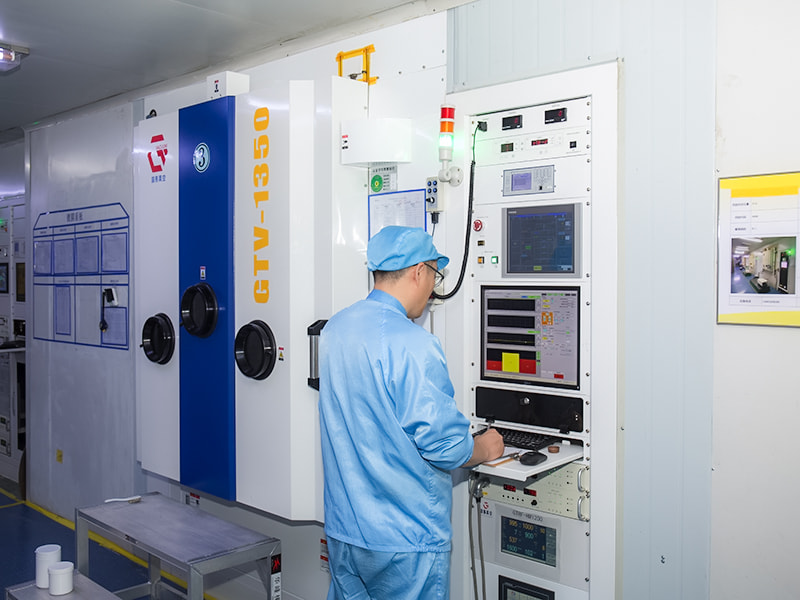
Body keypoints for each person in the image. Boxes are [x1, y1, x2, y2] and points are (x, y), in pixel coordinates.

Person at [318, 225, 505, 600]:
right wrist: (486, 447)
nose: (433, 288)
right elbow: (445, 447)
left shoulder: (336, 329)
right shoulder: (414, 344)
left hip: (346, 532)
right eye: (435, 275)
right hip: (405, 542)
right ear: (420, 271)